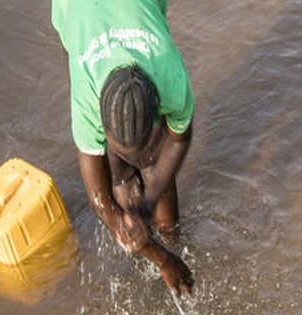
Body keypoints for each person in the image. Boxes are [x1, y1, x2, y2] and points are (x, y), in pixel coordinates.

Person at [52, 0, 195, 296]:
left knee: (156, 161)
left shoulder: (170, 74)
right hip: (75, 9)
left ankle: (171, 235)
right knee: (118, 174)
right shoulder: (86, 100)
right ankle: (125, 177)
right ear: (99, 119)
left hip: (137, 12)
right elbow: (100, 201)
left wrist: (150, 199)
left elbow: (179, 137)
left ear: (157, 104)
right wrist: (163, 260)